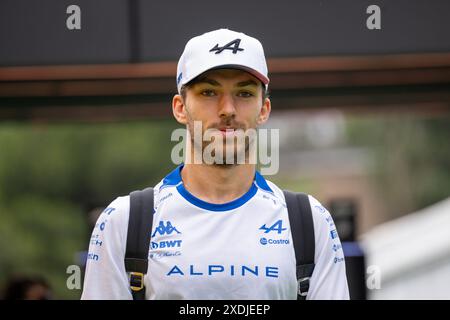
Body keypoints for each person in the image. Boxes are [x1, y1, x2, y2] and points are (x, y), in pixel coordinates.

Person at [81, 28, 349, 300]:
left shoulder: (310, 222)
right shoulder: (123, 222)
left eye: (244, 94)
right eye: (209, 92)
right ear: (180, 108)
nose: (227, 109)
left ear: (264, 109)